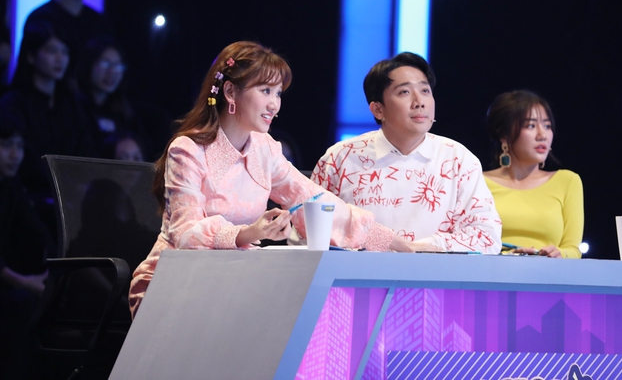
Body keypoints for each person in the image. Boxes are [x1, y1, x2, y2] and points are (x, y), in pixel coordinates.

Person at [129, 41, 417, 318]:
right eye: (265, 90)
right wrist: (249, 233)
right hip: (173, 283)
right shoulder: (188, 150)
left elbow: (313, 199)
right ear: (230, 91)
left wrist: (384, 238)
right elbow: (185, 234)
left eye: (278, 93)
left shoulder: (264, 149)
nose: (274, 105)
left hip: (233, 281)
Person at [310, 52, 502, 254]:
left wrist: (421, 249)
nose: (419, 102)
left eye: (425, 91)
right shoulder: (340, 158)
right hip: (356, 273)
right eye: (404, 92)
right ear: (378, 110)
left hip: (434, 272)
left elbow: (486, 236)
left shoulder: (459, 160)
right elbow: (308, 230)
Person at [0, 22, 97, 215]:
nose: (60, 59)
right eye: (52, 51)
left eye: (64, 52)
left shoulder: (72, 106)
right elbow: (26, 158)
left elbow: (86, 149)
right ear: (31, 56)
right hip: (30, 196)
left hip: (73, 196)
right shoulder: (14, 103)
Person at [482, 90, 583, 258]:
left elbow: (573, 249)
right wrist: (510, 256)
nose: (542, 135)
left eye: (547, 126)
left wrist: (558, 254)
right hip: (492, 272)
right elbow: (468, 245)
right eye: (531, 126)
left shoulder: (567, 181)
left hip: (548, 272)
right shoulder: (478, 182)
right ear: (504, 135)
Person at [0, 119, 55, 379]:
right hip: (10, 287)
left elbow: (39, 234)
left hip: (16, 283)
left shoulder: (11, 187)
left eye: (19, 146)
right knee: (23, 306)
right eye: (6, 145)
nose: (15, 154)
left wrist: (54, 270)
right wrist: (25, 283)